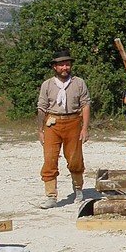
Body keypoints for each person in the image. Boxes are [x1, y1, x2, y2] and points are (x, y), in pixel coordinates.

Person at [36, 49, 91, 208]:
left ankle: (78, 189)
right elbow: (42, 108)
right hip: (52, 124)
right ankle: (51, 195)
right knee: (50, 159)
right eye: (61, 65)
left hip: (73, 122)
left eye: (67, 64)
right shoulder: (47, 85)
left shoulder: (78, 83)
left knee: (75, 159)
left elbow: (85, 105)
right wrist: (40, 130)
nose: (65, 68)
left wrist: (85, 128)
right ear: (55, 67)